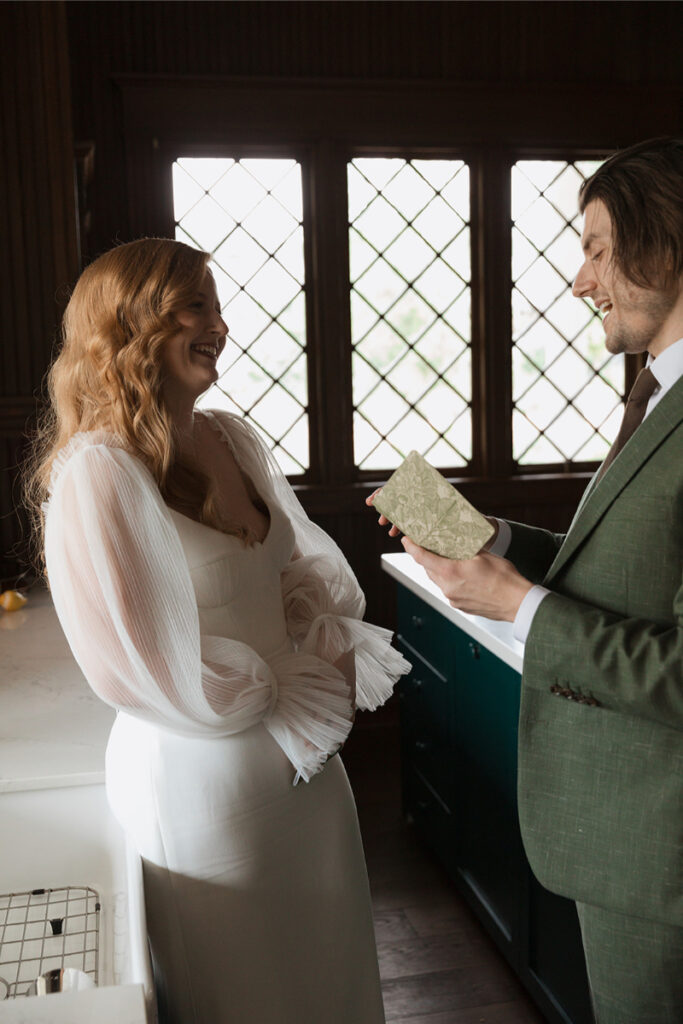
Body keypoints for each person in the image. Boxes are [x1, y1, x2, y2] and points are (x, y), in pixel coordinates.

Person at [26, 237, 410, 1024]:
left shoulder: (231, 437)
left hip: (306, 769)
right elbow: (134, 665)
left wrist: (317, 659)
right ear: (130, 327)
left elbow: (297, 577)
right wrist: (274, 686)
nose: (218, 323)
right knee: (245, 993)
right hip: (203, 782)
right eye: (193, 305)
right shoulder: (98, 472)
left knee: (328, 978)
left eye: (214, 303)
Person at [369, 137, 683, 1024]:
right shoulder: (658, 392)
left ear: (664, 246)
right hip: (622, 846)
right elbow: (630, 566)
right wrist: (488, 538)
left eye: (594, 248)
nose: (579, 281)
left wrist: (515, 602)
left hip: (658, 859)